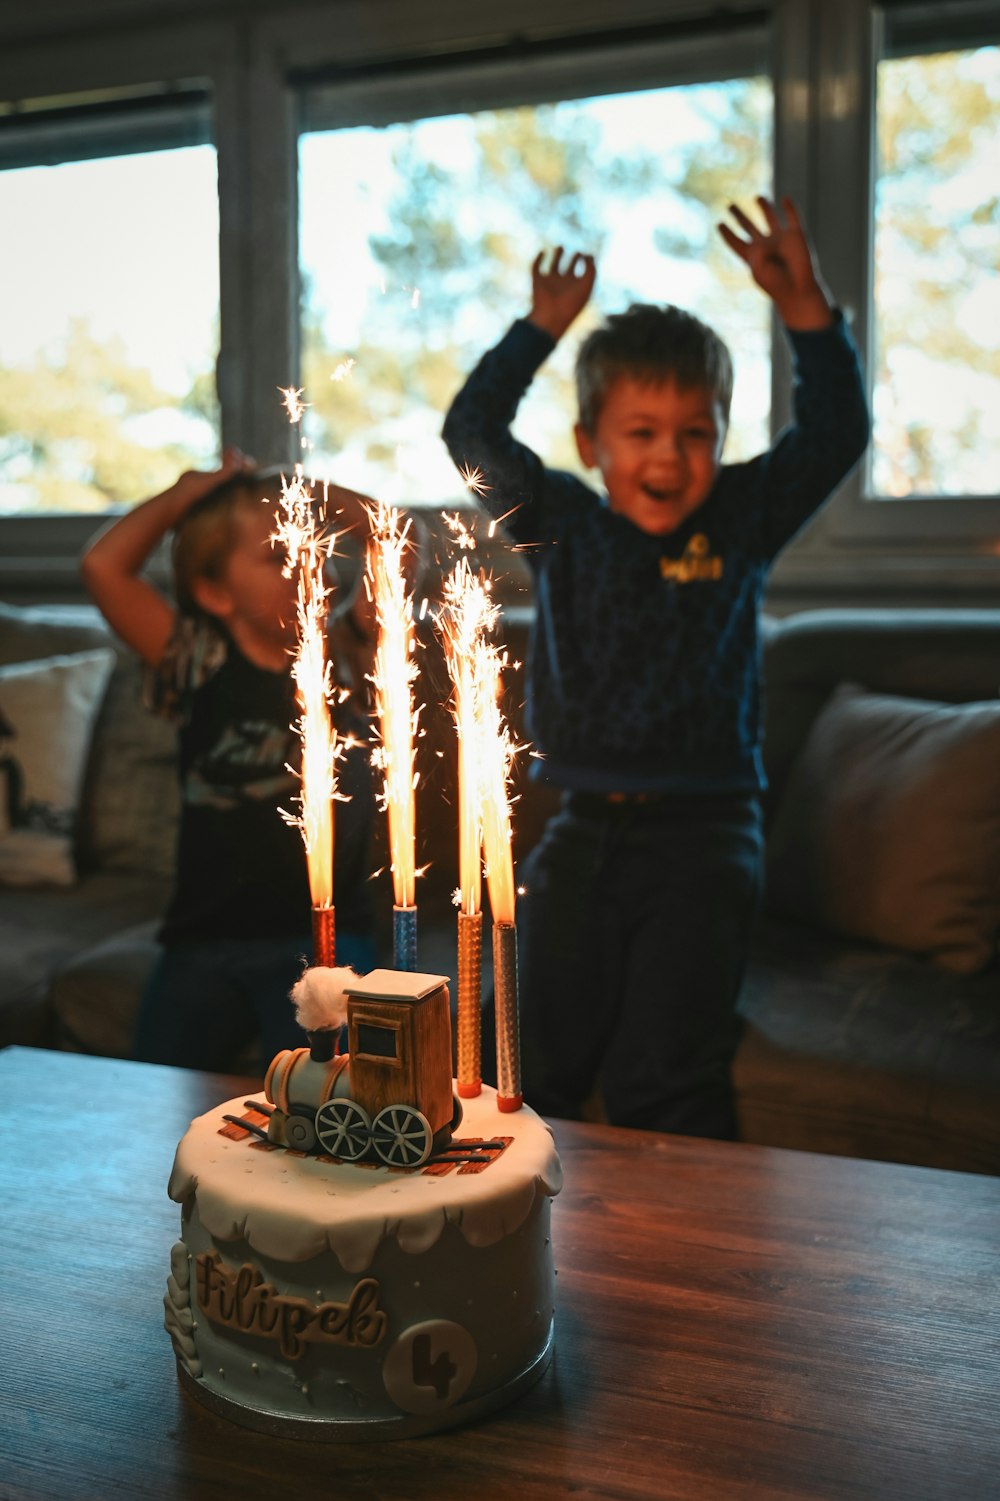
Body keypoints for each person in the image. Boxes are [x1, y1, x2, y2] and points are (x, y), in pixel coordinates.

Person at [442, 196, 870, 1138]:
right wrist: (539, 329)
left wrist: (809, 312)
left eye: (695, 432)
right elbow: (471, 434)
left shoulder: (744, 518)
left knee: (663, 1078)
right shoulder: (562, 522)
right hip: (581, 831)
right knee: (517, 1058)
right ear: (593, 447)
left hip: (707, 837)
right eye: (640, 432)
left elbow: (837, 433)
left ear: (720, 437)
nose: (670, 457)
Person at [81, 453, 379, 1071]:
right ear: (214, 591)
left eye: (312, 546)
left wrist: (301, 490)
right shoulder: (195, 661)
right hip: (204, 934)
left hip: (324, 938)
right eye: (277, 555)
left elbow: (392, 537)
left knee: (328, 1096)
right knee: (149, 1090)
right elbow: (103, 566)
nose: (304, 564)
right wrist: (182, 496)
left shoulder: (346, 653)